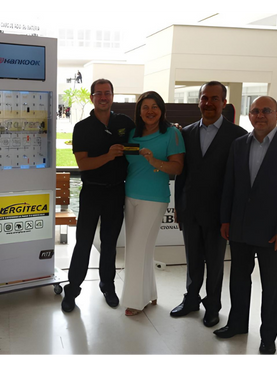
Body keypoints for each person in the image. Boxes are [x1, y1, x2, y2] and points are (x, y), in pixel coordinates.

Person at [215, 96, 277, 358]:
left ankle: (268, 338)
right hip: (240, 228)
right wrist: (226, 219)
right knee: (239, 279)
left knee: (271, 286)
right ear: (249, 116)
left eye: (266, 111)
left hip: (272, 233)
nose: (260, 115)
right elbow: (230, 186)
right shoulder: (238, 145)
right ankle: (237, 324)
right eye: (255, 111)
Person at [170, 82, 247, 327]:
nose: (209, 103)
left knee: (215, 263)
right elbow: (182, 175)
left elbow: (239, 180)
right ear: (199, 102)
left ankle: (212, 306)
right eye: (205, 98)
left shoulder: (238, 136)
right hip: (190, 210)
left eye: (215, 98)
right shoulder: (186, 133)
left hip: (219, 214)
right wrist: (179, 208)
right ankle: (191, 299)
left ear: (224, 103)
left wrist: (231, 216)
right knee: (193, 260)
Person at [62, 79, 135, 313]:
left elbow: (140, 142)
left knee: (110, 243)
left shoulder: (124, 123)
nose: (103, 97)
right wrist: (109, 155)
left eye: (108, 93)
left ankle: (108, 285)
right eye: (99, 93)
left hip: (116, 190)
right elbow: (83, 164)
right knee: (83, 242)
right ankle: (72, 289)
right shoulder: (82, 127)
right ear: (92, 97)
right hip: (92, 191)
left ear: (113, 96)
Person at [121, 91, 185, 316]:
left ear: (161, 110)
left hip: (154, 198)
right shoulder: (132, 134)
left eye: (154, 106)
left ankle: (135, 301)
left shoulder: (172, 134)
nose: (150, 111)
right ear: (139, 111)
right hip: (130, 196)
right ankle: (149, 292)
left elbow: (177, 168)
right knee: (140, 248)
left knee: (137, 249)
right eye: (145, 107)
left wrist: (154, 161)